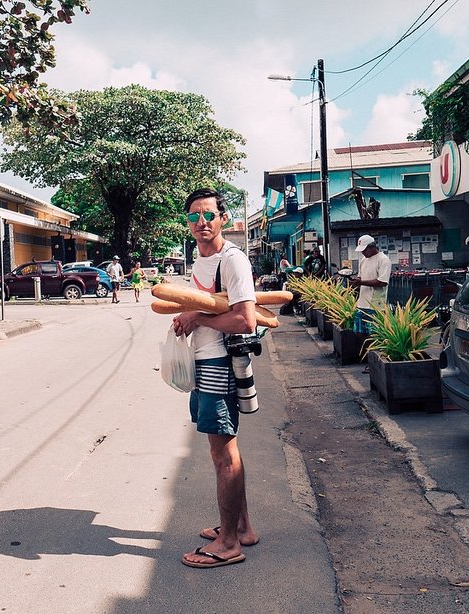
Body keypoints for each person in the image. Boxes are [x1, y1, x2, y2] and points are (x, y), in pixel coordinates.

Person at [172, 187, 259, 569]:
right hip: (203, 360)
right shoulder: (198, 260)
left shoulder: (233, 261)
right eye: (194, 216)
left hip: (220, 365)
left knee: (223, 452)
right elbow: (205, 306)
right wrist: (188, 316)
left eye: (209, 215)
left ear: (223, 218)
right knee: (224, 449)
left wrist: (198, 318)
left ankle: (227, 544)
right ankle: (242, 528)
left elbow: (245, 319)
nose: (201, 222)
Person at [350, 233, 391, 336]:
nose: (363, 252)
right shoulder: (363, 260)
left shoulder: (383, 259)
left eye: (364, 250)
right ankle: (362, 352)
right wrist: (356, 281)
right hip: (362, 303)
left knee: (374, 335)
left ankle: (371, 352)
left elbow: (382, 282)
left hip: (376, 305)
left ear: (372, 247)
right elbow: (361, 276)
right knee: (359, 333)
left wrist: (361, 282)